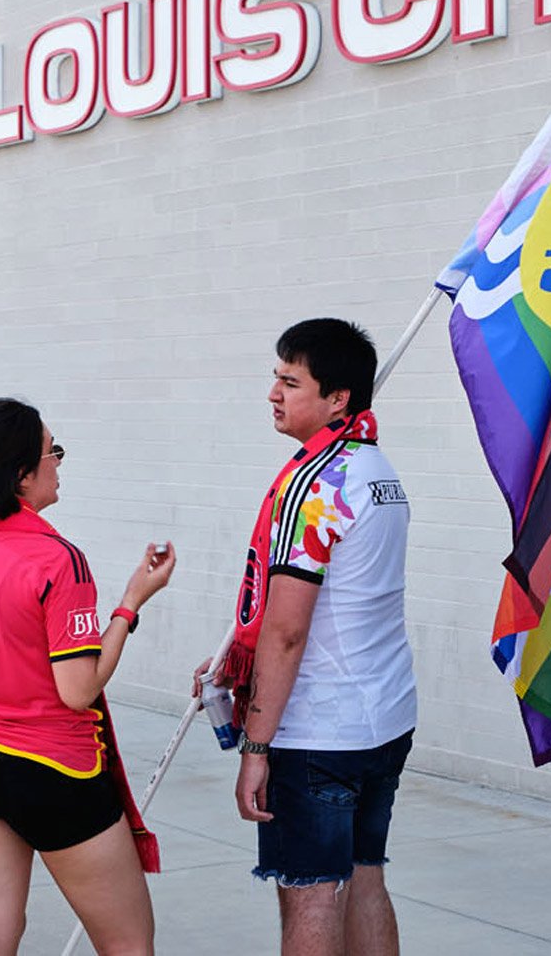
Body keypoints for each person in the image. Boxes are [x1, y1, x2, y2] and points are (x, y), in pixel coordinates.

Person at [0, 399, 175, 956]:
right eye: (51, 452)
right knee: (128, 943)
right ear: (21, 476)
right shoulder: (58, 559)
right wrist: (129, 605)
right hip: (52, 769)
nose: (59, 462)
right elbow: (78, 690)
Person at [200, 320, 414, 956]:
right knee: (366, 877)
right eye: (276, 376)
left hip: (319, 730)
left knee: (311, 892)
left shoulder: (315, 484)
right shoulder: (379, 471)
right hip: (384, 716)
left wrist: (255, 744)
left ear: (338, 398)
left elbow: (288, 632)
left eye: (290, 381)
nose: (273, 392)